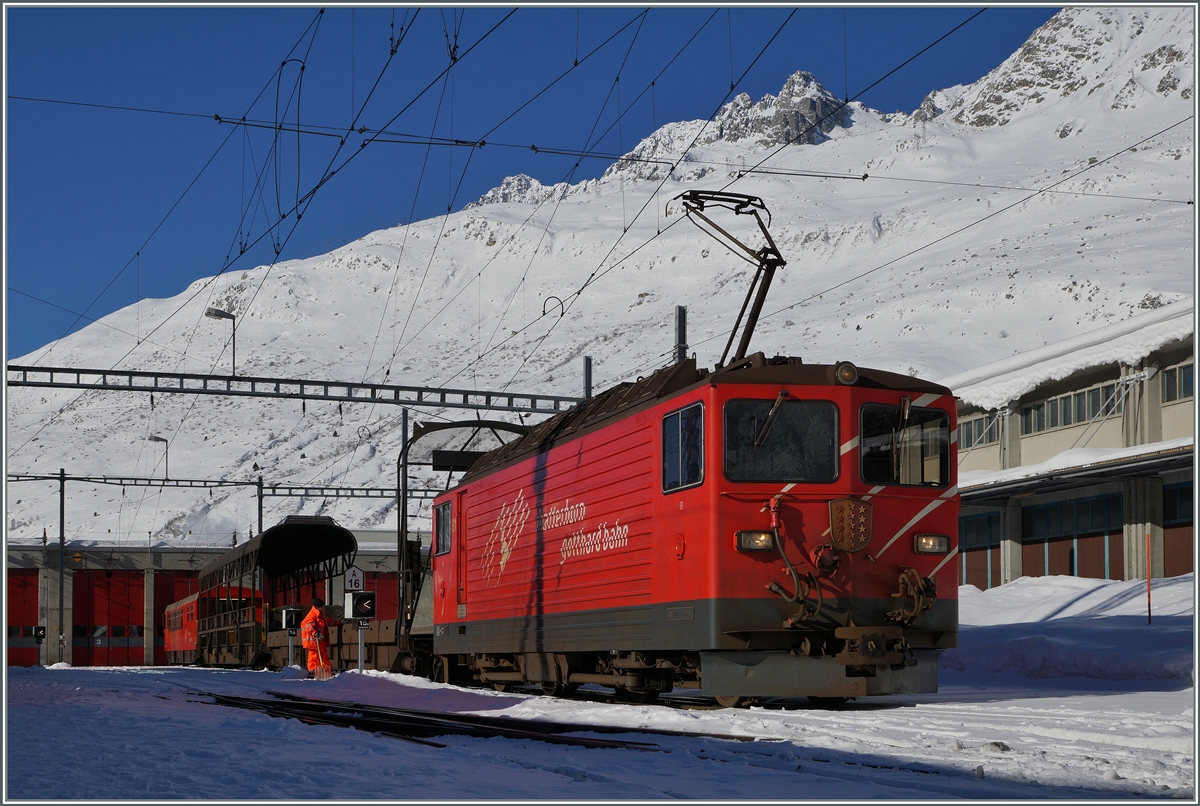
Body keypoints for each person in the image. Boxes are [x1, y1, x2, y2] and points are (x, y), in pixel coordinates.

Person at [301, 598, 334, 680]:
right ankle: (312, 672)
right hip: (314, 642)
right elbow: (308, 626)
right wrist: (315, 633)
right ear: (318, 607)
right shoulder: (312, 615)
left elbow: (327, 622)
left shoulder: (320, 614)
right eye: (323, 607)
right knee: (314, 658)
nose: (324, 609)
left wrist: (338, 623)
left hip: (320, 641)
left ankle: (327, 672)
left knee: (323, 657)